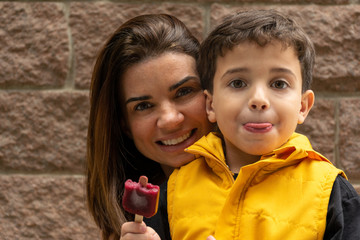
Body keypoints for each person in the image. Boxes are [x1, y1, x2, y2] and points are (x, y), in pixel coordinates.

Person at [167, 9, 360, 240]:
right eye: (238, 83)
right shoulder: (177, 188)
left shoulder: (330, 191)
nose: (258, 99)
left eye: (278, 84)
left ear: (302, 106)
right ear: (211, 105)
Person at [86, 14, 213, 240]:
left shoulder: (279, 179)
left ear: (211, 94)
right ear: (124, 125)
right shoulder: (135, 227)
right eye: (144, 106)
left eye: (184, 91)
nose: (169, 119)